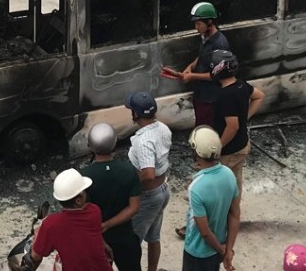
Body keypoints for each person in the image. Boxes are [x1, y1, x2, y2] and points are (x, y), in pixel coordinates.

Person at [82, 123, 143, 271]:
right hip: (125, 236)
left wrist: (103, 226)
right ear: (114, 143)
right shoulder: (129, 170)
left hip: (96, 238)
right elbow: (134, 207)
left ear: (91, 146)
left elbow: (83, 210)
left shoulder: (84, 176)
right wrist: (108, 224)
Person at [27, 168, 113, 271]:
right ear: (78, 200)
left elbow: (36, 256)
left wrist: (38, 235)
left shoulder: (51, 224)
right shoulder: (94, 211)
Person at [182, 126, 240, 271]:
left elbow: (205, 233)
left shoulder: (196, 188)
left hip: (197, 252)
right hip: (219, 247)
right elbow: (234, 214)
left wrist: (221, 249)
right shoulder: (229, 174)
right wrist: (228, 250)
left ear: (196, 154)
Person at [126, 91, 172, 271]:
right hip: (162, 190)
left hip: (148, 196)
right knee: (154, 238)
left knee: (131, 243)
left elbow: (148, 174)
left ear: (136, 114)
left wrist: (133, 190)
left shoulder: (143, 141)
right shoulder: (162, 127)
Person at [210, 50, 264, 199]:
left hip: (229, 150)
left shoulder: (226, 95)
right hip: (242, 145)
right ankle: (234, 211)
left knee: (217, 184)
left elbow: (232, 126)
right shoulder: (241, 84)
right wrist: (244, 117)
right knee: (235, 181)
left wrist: (218, 147)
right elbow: (259, 96)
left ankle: (221, 212)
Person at [180, 3, 230, 130]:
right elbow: (202, 56)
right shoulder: (206, 37)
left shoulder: (220, 44)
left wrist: (192, 76)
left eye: (199, 24)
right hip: (201, 93)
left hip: (211, 97)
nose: (196, 28)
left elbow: (217, 74)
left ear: (209, 22)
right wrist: (190, 67)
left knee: (206, 129)